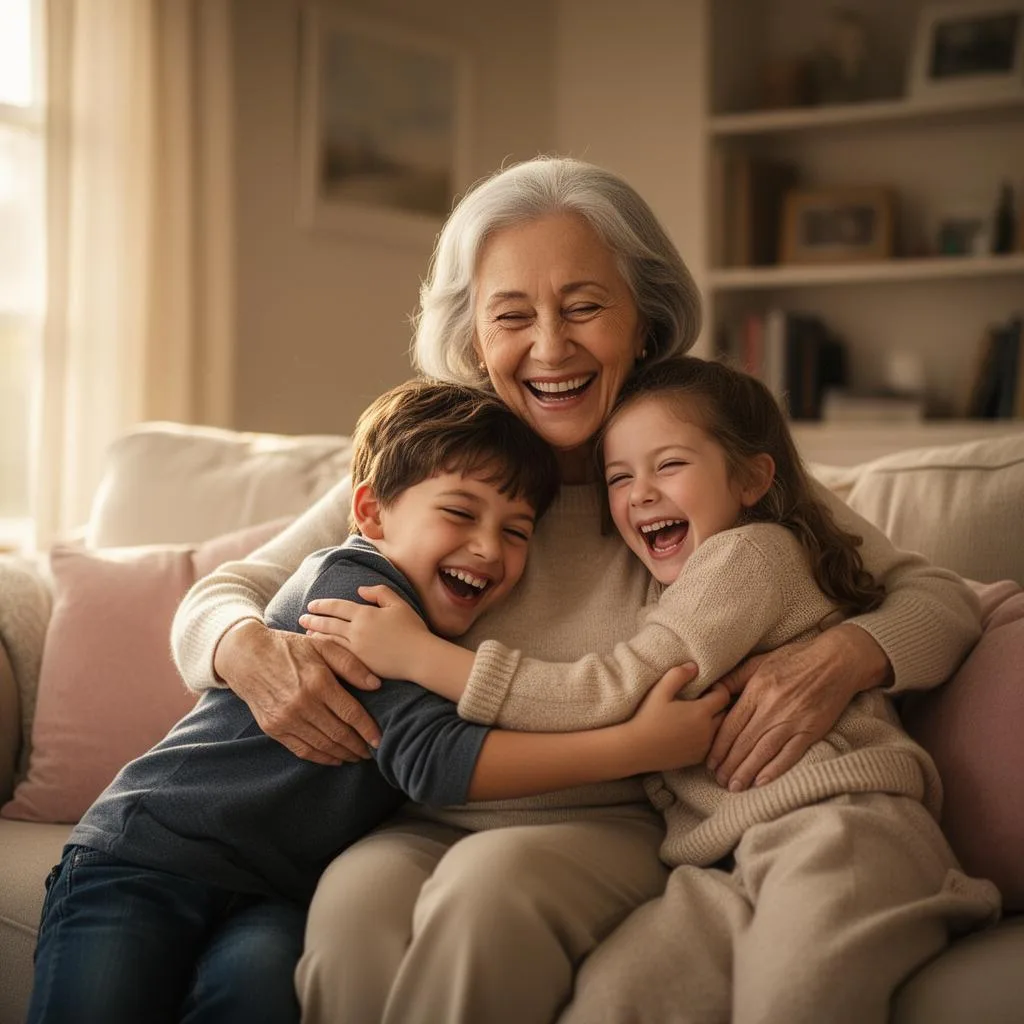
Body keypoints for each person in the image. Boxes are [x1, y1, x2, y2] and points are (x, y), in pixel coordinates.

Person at [171, 156, 982, 1024]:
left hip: (609, 817)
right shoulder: (438, 466)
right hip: (430, 805)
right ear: (474, 338)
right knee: (349, 911)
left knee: (486, 897)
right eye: (512, 316)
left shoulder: (688, 461)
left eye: (585, 307)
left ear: (645, 320)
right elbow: (223, 592)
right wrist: (245, 651)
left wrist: (847, 655)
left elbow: (936, 596)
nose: (550, 347)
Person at [27, 379, 729, 1024]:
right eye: (460, 514)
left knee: (257, 996)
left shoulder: (426, 618)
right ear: (370, 513)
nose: (488, 548)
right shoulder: (357, 591)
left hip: (272, 892)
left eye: (517, 532)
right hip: (150, 853)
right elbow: (431, 761)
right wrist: (634, 745)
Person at [324, 357, 1001, 1023]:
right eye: (618, 478)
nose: (640, 493)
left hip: (833, 820)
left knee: (798, 1000)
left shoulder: (747, 552)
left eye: (668, 466)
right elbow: (274, 582)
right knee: (611, 1003)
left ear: (753, 478)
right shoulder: (443, 449)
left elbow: (619, 687)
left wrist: (428, 660)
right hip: (716, 853)